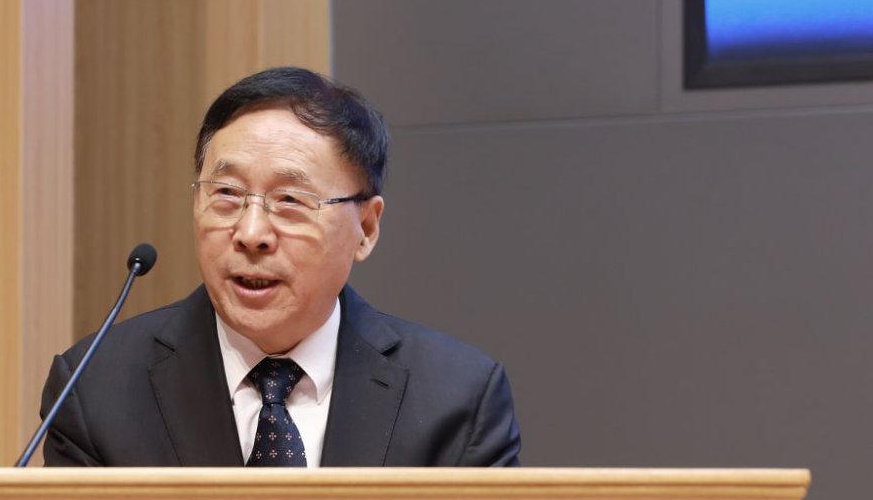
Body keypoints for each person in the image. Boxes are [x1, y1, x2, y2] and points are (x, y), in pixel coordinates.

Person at [39, 66, 521, 468]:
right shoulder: (94, 391)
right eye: (226, 194)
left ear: (366, 228)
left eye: (290, 200)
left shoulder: (456, 399)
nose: (251, 233)